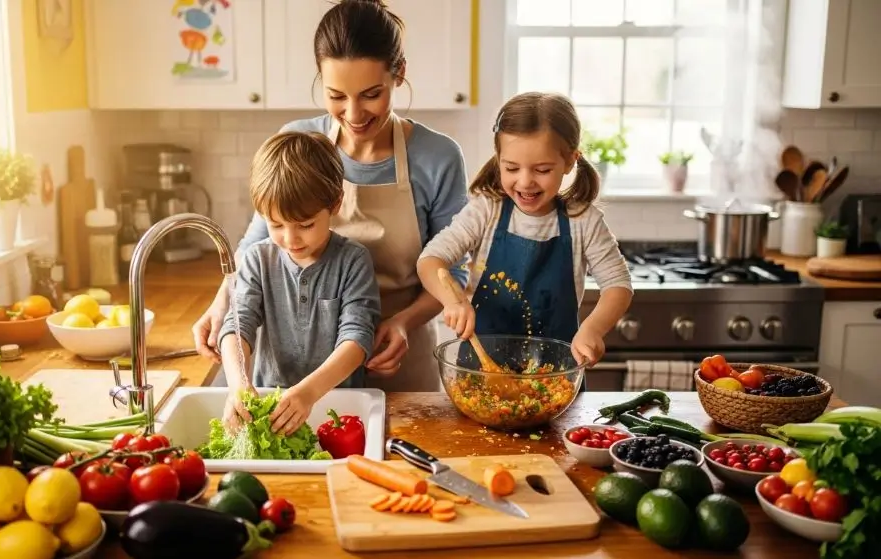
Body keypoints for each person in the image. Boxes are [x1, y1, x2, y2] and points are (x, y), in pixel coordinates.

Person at [193, 0, 469, 392]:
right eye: (336, 95)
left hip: (397, 354)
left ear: (399, 73)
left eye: (371, 94)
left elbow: (451, 273)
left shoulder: (438, 157)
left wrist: (403, 323)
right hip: (299, 359)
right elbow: (256, 248)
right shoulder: (299, 141)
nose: (354, 113)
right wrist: (223, 302)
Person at [416, 92, 633, 371]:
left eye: (542, 169)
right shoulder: (487, 211)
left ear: (569, 161)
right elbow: (430, 260)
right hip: (482, 374)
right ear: (499, 160)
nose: (525, 181)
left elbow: (618, 286)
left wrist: (593, 329)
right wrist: (453, 301)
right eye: (512, 168)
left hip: (556, 378)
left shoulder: (584, 221)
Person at [218, 131, 382, 436]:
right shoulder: (257, 259)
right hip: (270, 409)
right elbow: (237, 327)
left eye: (305, 225)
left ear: (335, 204)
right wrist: (239, 384)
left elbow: (357, 340)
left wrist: (308, 393)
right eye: (276, 224)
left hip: (338, 410)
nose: (290, 239)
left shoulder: (353, 261)